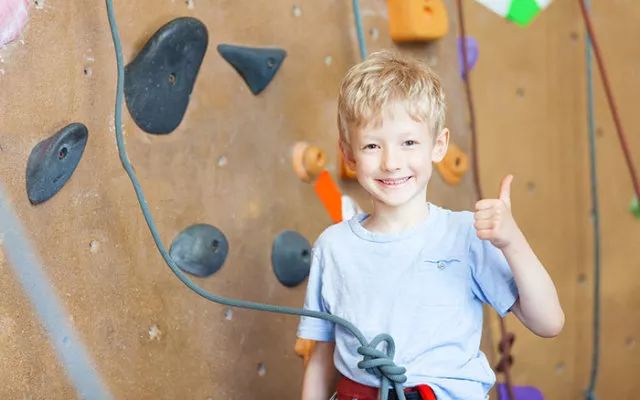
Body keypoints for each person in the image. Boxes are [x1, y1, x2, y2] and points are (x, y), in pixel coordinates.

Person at [297, 50, 564, 400]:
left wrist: (512, 241)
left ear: (438, 146)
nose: (392, 162)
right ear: (348, 155)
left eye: (409, 142)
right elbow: (323, 358)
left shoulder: (465, 235)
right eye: (372, 145)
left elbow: (549, 322)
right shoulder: (333, 247)